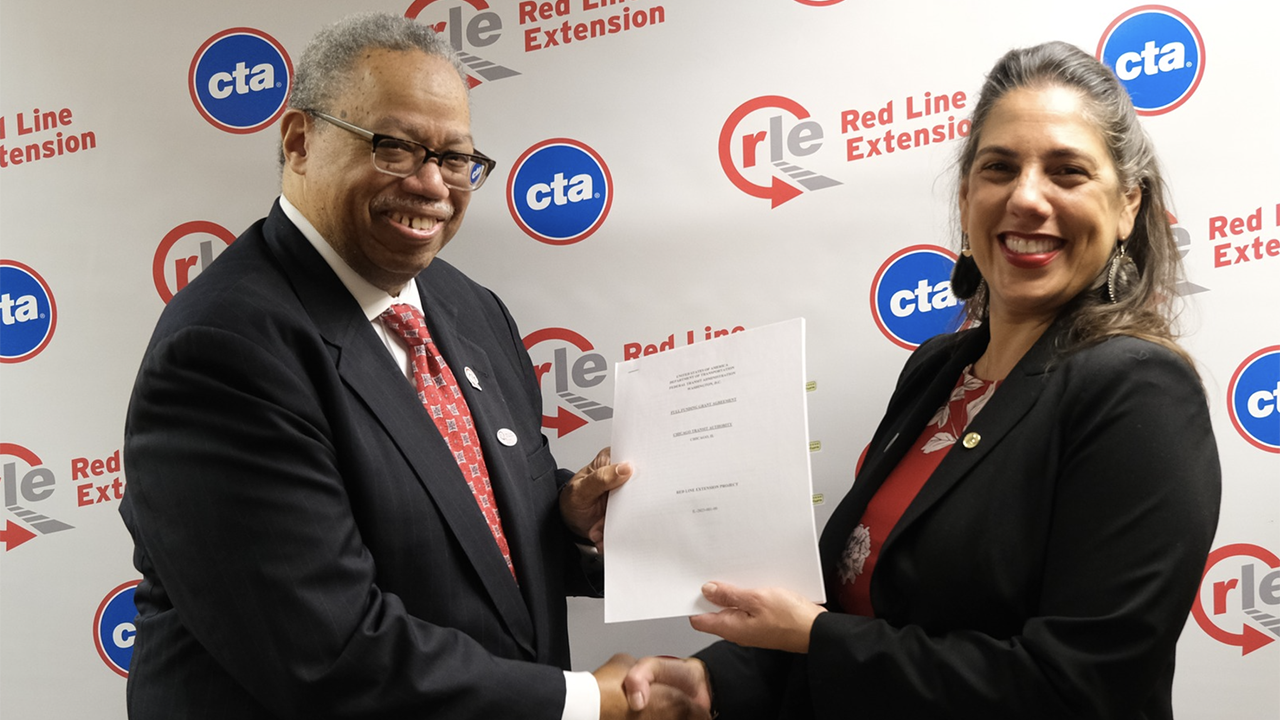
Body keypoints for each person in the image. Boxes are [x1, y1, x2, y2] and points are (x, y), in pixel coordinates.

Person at [120, 12, 703, 720]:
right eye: (394, 147)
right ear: (300, 141)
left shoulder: (467, 306)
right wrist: (584, 701)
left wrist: (572, 520)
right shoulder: (224, 352)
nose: (432, 184)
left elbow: (465, 518)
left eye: (456, 158)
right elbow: (327, 653)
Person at [623, 41, 1221, 719]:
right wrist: (716, 683)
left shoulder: (1138, 390)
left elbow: (1078, 689)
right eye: (999, 168)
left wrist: (814, 638)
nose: (1026, 197)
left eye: (1067, 172)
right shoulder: (938, 368)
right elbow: (855, 603)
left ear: (1127, 206)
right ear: (967, 196)